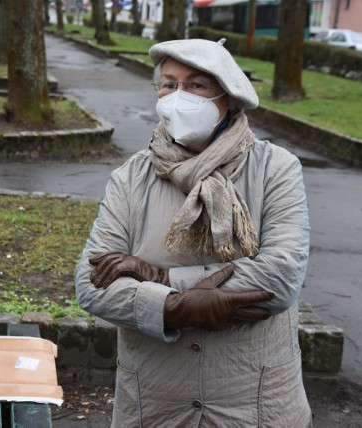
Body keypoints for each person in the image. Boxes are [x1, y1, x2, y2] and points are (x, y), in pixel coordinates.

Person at [75, 38, 312, 427]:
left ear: (228, 96)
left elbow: (280, 277)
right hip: (156, 403)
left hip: (254, 405)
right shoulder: (131, 177)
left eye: (196, 85)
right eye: (168, 84)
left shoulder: (276, 169)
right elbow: (92, 282)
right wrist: (170, 308)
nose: (177, 96)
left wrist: (159, 277)